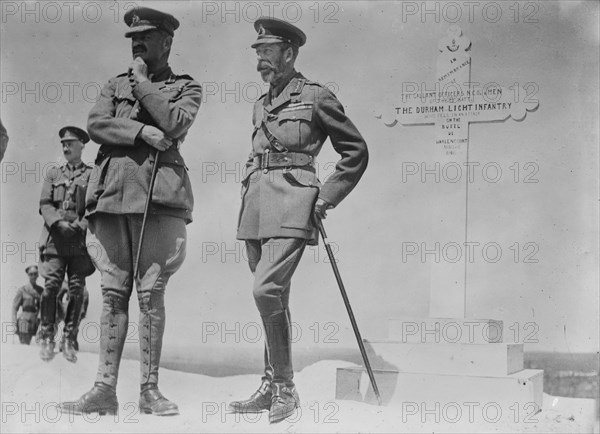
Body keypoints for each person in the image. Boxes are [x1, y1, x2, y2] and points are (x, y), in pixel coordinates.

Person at [59, 6, 201, 417]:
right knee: (112, 294)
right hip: (110, 197)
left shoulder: (186, 87)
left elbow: (175, 123)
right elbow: (97, 124)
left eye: (146, 37)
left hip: (158, 199)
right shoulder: (112, 84)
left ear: (167, 42)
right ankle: (104, 389)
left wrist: (142, 86)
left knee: (151, 295)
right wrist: (140, 131)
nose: (137, 43)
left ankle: (149, 391)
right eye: (133, 38)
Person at [230, 17, 368, 423]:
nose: (260, 64)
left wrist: (324, 198)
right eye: (258, 55)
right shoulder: (260, 103)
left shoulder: (316, 96)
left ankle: (286, 387)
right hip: (256, 206)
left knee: (264, 290)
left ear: (289, 53)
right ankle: (271, 384)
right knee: (275, 297)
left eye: (268, 54)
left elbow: (355, 151)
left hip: (294, 202)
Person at [38, 126, 95, 363]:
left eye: (70, 143)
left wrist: (80, 226)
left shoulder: (92, 174)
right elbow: (45, 204)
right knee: (51, 287)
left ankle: (69, 339)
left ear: (82, 145)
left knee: (76, 289)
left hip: (79, 242)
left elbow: (93, 205)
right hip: (56, 239)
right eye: (63, 143)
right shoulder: (53, 173)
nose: (66, 147)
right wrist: (58, 223)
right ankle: (47, 336)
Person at [12, 265, 43, 345]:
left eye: (35, 274)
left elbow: (43, 307)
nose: (33, 276)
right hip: (24, 320)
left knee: (37, 345)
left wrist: (40, 319)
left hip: (35, 320)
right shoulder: (22, 290)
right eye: (31, 274)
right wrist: (14, 323)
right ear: (28, 275)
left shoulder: (41, 291)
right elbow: (14, 307)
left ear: (37, 275)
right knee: (24, 344)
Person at [57, 281, 89, 352]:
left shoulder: (84, 291)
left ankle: (69, 345)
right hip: (69, 310)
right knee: (70, 329)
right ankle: (64, 344)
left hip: (77, 312)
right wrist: (62, 308)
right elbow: (58, 297)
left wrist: (81, 315)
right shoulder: (68, 285)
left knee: (73, 330)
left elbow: (84, 305)